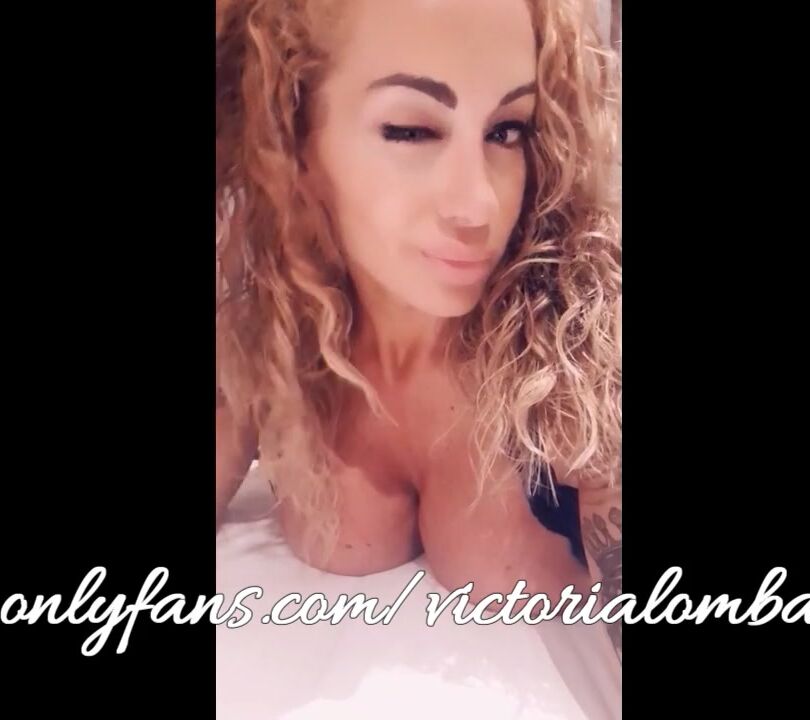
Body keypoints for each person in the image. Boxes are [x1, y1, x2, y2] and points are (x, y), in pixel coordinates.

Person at [216, 0, 622, 659]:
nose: (478, 205)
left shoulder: (580, 352)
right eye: (410, 131)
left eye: (506, 131)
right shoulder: (273, 338)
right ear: (292, 144)